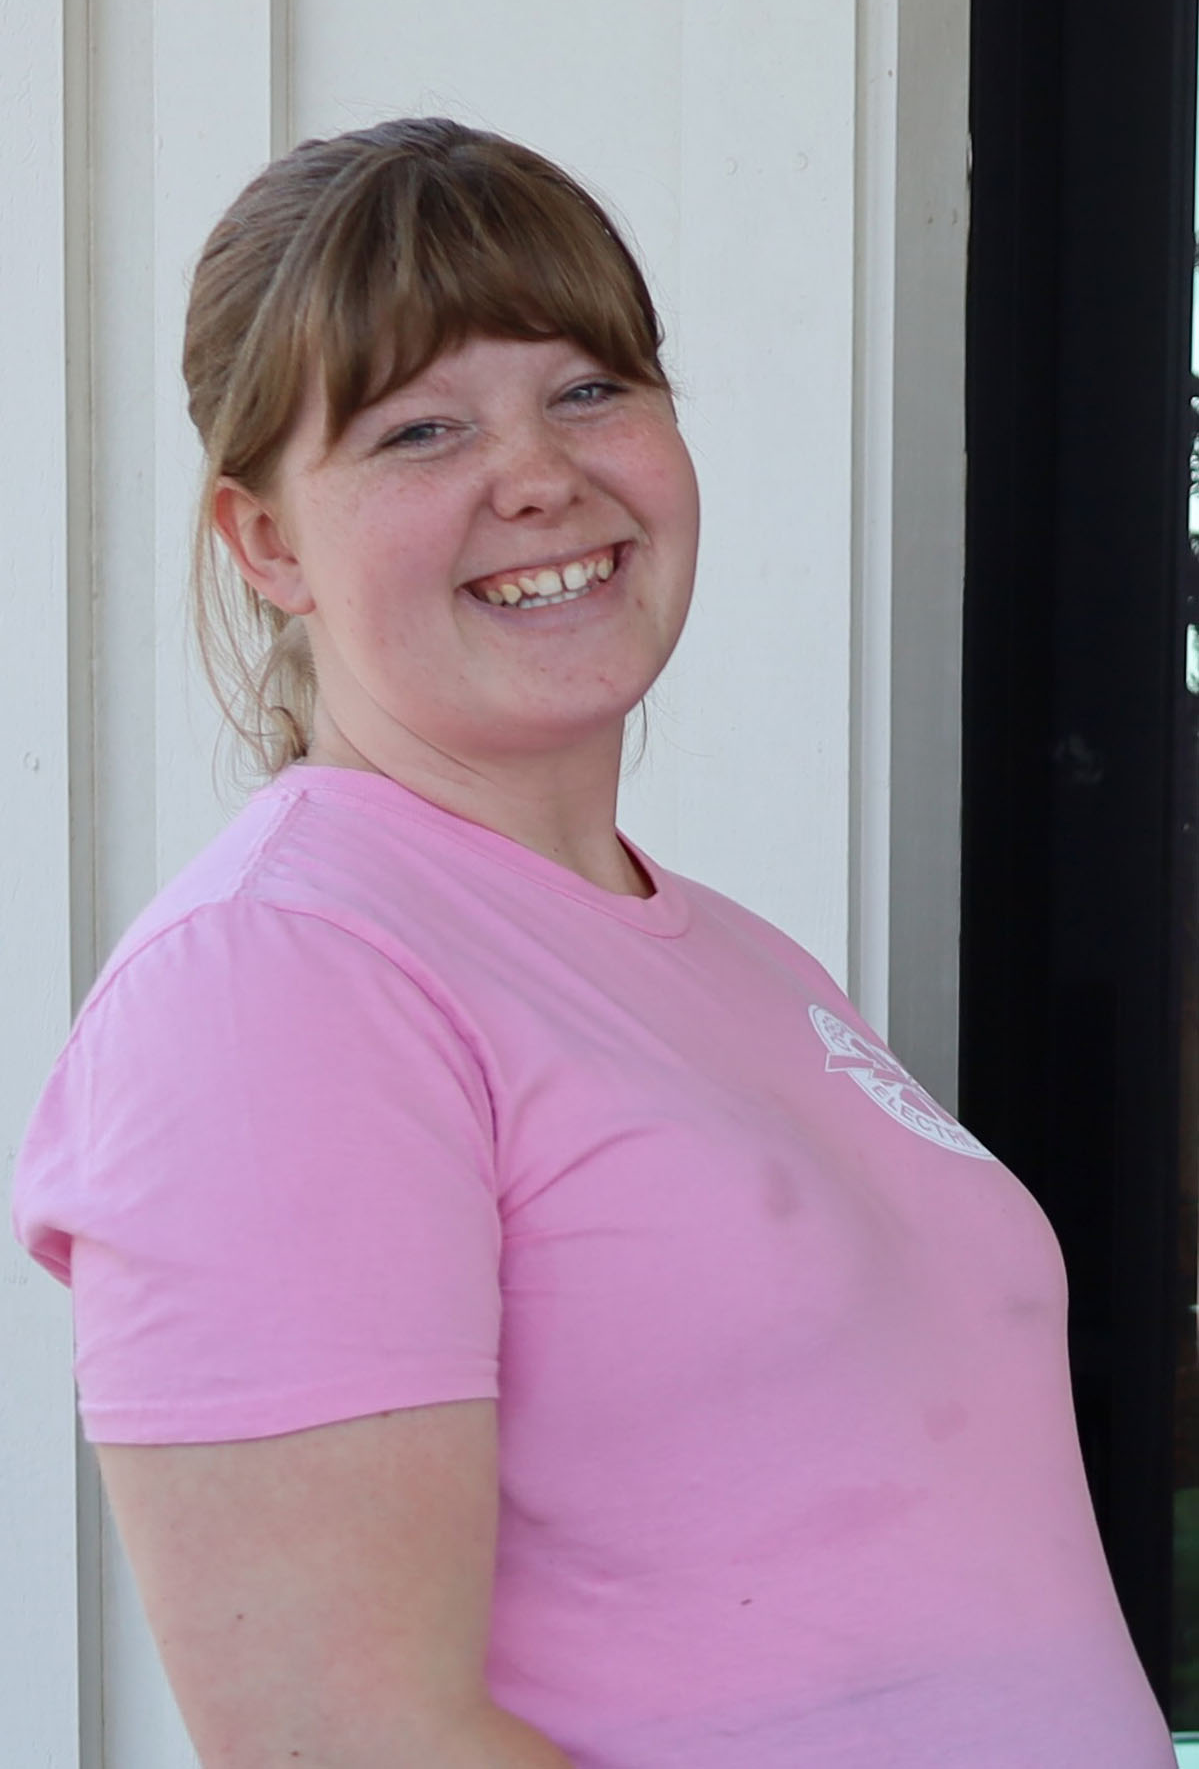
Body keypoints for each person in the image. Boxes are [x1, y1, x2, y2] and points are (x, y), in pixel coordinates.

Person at [10, 117, 1175, 1769]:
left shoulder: (735, 955)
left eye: (588, 389)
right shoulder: (282, 978)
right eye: (420, 429)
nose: (540, 473)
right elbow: (345, 1742)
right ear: (269, 544)